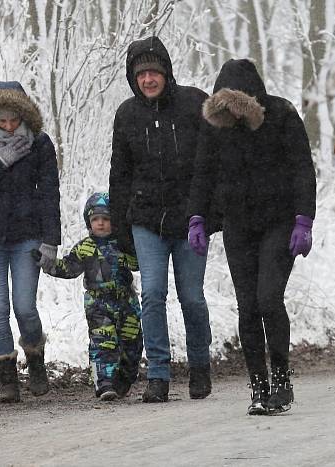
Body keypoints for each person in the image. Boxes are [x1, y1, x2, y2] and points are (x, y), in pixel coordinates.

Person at [188, 59, 316, 415]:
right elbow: (203, 174)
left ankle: (281, 379)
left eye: (236, 105)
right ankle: (259, 386)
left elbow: (303, 170)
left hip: (279, 222)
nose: (231, 113)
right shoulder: (215, 128)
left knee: (268, 299)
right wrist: (196, 218)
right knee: (247, 306)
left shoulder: (283, 115)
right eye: (223, 106)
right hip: (238, 225)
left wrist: (304, 220)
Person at [109, 36, 213, 403]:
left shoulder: (194, 104)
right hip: (145, 221)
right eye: (141, 74)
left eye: (154, 72)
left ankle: (200, 366)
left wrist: (210, 216)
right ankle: (158, 374)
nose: (148, 79)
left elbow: (211, 163)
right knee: (153, 295)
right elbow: (119, 175)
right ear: (133, 78)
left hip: (190, 221)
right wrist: (122, 230)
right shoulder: (126, 114)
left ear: (166, 73)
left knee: (192, 298)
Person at [0, 81, 60, 402]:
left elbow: (49, 194)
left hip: (26, 236)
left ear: (23, 116)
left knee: (25, 307)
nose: (8, 126)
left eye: (13, 120)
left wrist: (51, 241)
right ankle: (7, 380)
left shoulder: (40, 144)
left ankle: (35, 358)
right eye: (1, 121)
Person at [38, 192, 142, 401]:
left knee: (132, 343)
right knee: (103, 342)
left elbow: (137, 264)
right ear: (89, 223)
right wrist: (47, 263)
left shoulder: (122, 244)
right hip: (98, 303)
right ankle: (104, 383)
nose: (101, 224)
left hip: (126, 302)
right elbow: (68, 268)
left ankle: (124, 378)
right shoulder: (85, 248)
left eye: (106, 219)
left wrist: (131, 247)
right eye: (96, 220)